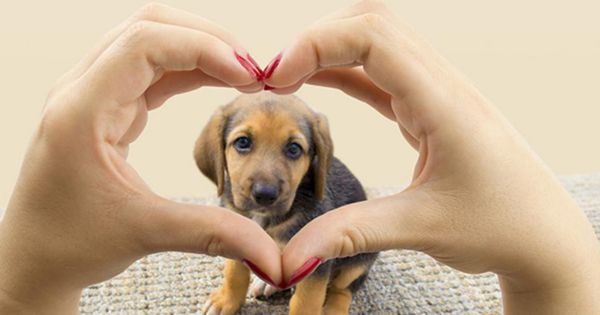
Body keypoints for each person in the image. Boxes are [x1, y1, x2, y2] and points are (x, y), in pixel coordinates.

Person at [0, 1, 598, 314]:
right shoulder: (231, 192)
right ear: (217, 152)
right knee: (244, 251)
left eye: (292, 151)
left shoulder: (311, 200)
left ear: (314, 161)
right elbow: (235, 232)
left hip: (336, 266)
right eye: (242, 145)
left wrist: (321, 294)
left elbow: (327, 255)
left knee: (341, 269)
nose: (265, 179)